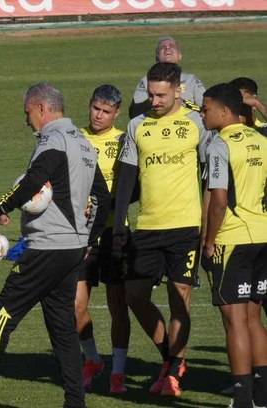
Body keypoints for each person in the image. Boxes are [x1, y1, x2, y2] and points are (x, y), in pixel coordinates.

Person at [0, 82, 110, 408]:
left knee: (1, 315)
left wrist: (4, 206)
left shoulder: (52, 139)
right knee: (62, 328)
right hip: (71, 250)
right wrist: (88, 239)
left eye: (28, 113)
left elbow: (35, 179)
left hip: (47, 248)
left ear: (42, 109)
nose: (27, 121)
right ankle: (75, 402)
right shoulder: (83, 143)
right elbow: (104, 197)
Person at [114, 62, 211, 397]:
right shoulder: (137, 124)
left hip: (186, 225)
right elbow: (127, 176)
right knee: (135, 296)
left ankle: (171, 375)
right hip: (148, 227)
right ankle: (171, 358)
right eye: (151, 94)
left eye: (160, 95)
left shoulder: (198, 120)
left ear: (177, 90)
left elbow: (211, 175)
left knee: (178, 297)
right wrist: (118, 225)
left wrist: (210, 227)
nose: (153, 101)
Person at [199, 83, 267, 408]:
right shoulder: (261, 139)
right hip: (263, 237)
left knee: (235, 321)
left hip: (233, 239)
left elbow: (219, 201)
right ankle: (263, 394)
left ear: (224, 112)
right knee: (254, 318)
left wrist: (209, 241)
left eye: (206, 108)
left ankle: (241, 399)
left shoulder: (219, 145)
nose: (202, 114)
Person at [77, 84, 130, 393]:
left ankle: (118, 372)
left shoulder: (125, 140)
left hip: (113, 233)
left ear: (116, 113)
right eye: (95, 108)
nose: (99, 115)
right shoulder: (75, 138)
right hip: (81, 235)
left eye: (106, 111)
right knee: (76, 305)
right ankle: (93, 358)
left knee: (117, 305)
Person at [129, 36, 206, 119]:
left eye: (171, 46)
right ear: (157, 58)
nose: (167, 48)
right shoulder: (147, 80)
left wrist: (183, 104)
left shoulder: (191, 79)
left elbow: (205, 107)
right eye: (163, 47)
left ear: (179, 56)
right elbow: (136, 111)